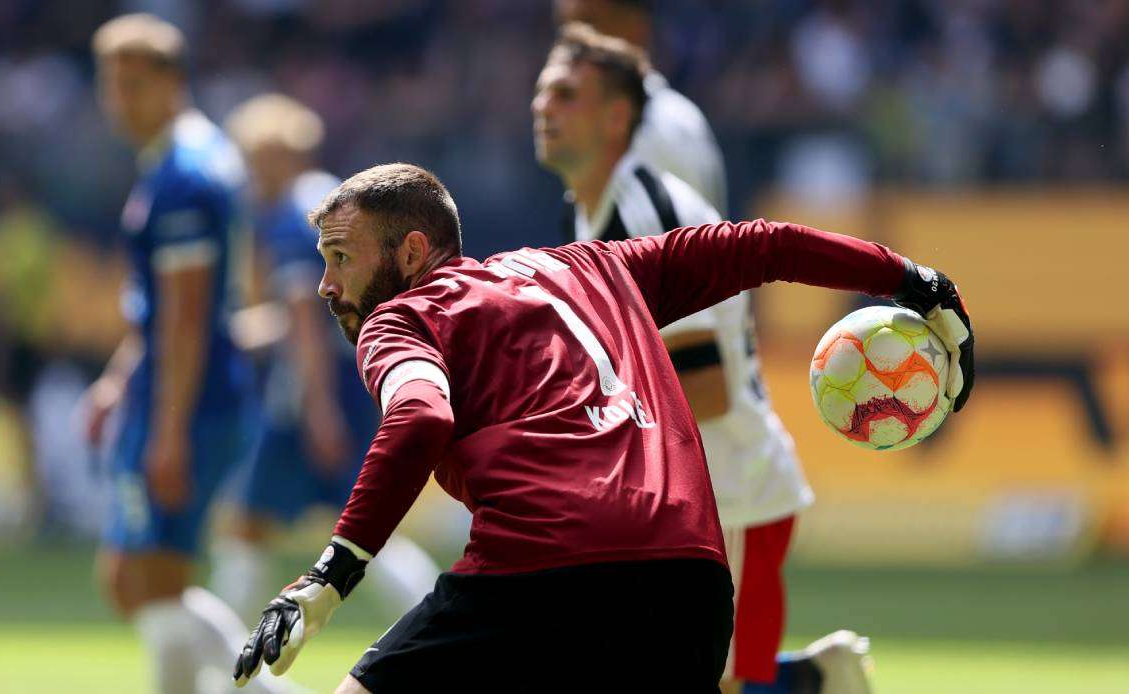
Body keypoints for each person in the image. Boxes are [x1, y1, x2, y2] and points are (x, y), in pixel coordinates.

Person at [231, 163, 975, 693]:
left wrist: (330, 577)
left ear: (412, 254)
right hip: (690, 583)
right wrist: (915, 280)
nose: (327, 284)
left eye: (339, 259)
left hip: (538, 570)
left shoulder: (401, 318)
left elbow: (422, 413)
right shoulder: (594, 269)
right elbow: (761, 245)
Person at [542, 13, 875, 693]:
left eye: (565, 95)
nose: (542, 107)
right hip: (689, 499)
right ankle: (813, 680)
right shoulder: (595, 207)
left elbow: (705, 388)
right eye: (543, 92)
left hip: (729, 495)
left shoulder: (647, 215)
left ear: (614, 120)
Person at [82, 14, 290, 693]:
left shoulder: (184, 177)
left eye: (136, 84)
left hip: (190, 396)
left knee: (151, 578)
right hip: (179, 387)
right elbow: (166, 310)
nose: (121, 101)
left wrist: (168, 429)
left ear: (175, 81)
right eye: (112, 85)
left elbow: (187, 315)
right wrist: (118, 380)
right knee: (131, 578)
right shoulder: (193, 159)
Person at [215, 93, 441, 622]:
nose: (250, 175)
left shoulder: (296, 216)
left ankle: (217, 663)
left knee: (262, 523)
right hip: (345, 376)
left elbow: (303, 317)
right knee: (353, 521)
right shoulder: (330, 200)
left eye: (255, 160)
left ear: (278, 155)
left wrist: (318, 411)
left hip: (314, 390)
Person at [555, 0, 728, 214]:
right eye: (565, 27)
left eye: (588, 23)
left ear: (636, 27)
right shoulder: (592, 127)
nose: (572, 43)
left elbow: (696, 244)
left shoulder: (664, 130)